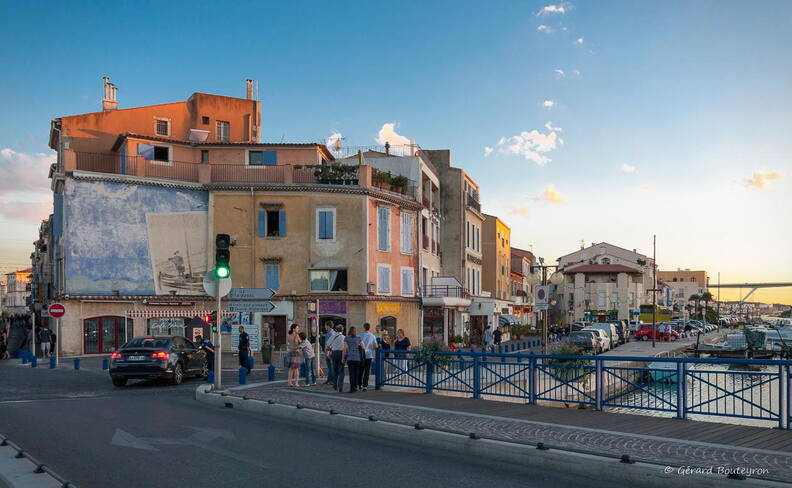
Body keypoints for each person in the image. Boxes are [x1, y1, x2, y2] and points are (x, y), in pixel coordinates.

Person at [342, 326, 363, 393]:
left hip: (350, 357)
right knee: (356, 373)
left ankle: (352, 388)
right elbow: (363, 347)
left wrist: (343, 358)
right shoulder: (358, 338)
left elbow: (345, 349)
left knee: (351, 374)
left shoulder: (346, 338)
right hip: (357, 358)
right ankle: (356, 387)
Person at [358, 323, 378, 391]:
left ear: (364, 327)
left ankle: (359, 384)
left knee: (361, 370)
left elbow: (357, 344)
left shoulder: (360, 335)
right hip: (369, 355)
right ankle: (365, 386)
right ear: (369, 328)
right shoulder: (372, 336)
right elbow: (376, 346)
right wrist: (371, 347)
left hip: (361, 355)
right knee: (367, 371)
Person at [328, 324, 346, 392]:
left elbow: (328, 344)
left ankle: (335, 384)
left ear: (336, 330)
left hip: (334, 353)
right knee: (341, 371)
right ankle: (340, 385)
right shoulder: (344, 337)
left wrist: (331, 348)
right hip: (341, 353)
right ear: (342, 330)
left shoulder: (333, 336)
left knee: (335, 369)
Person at [321, 321, 336, 385]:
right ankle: (329, 379)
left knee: (331, 367)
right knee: (329, 367)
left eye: (325, 325)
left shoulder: (331, 333)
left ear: (328, 326)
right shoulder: (330, 333)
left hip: (330, 352)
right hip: (329, 351)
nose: (325, 327)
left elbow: (330, 344)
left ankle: (332, 380)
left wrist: (327, 353)